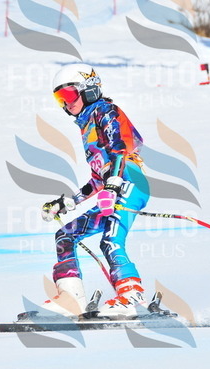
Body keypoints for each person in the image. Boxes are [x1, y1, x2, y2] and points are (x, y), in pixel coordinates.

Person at [38, 63, 150, 319]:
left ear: (88, 89)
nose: (66, 104)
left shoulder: (104, 111)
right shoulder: (86, 124)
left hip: (130, 182)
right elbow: (98, 179)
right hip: (114, 186)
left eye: (68, 95)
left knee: (110, 240)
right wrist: (69, 202)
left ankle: (132, 297)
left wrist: (113, 184)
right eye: (60, 99)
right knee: (65, 235)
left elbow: (119, 150)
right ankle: (70, 299)